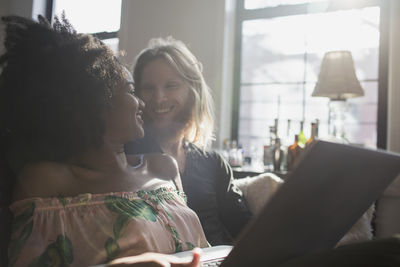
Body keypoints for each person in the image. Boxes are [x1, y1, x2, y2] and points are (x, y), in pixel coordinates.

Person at [0, 15, 208, 267]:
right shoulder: (48, 182)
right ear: (97, 104)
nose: (143, 103)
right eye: (132, 91)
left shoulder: (164, 168)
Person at [124, 37, 252, 246]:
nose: (159, 98)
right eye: (148, 88)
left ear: (193, 91)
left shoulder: (213, 163)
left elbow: (248, 231)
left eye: (171, 85)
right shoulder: (123, 157)